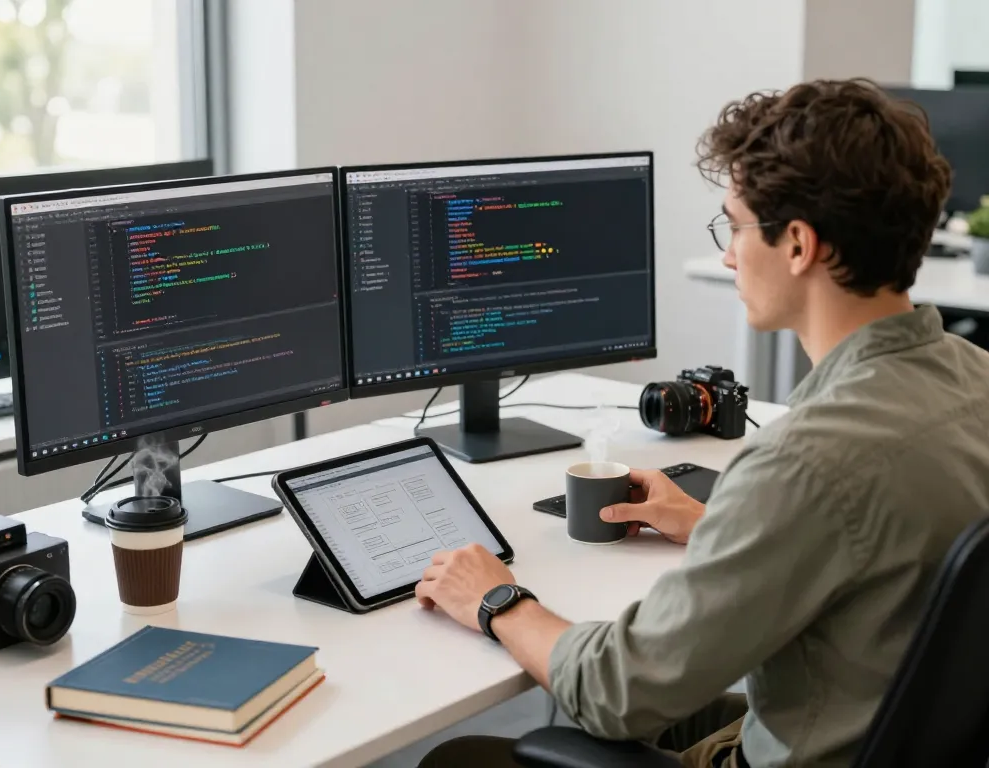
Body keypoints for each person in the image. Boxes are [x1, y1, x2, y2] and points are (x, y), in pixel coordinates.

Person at [415, 78, 989, 768]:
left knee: (463, 759)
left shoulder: (805, 464)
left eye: (735, 225)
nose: (727, 253)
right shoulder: (973, 378)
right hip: (875, 732)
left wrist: (497, 598)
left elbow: (615, 691)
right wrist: (716, 525)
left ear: (800, 245)